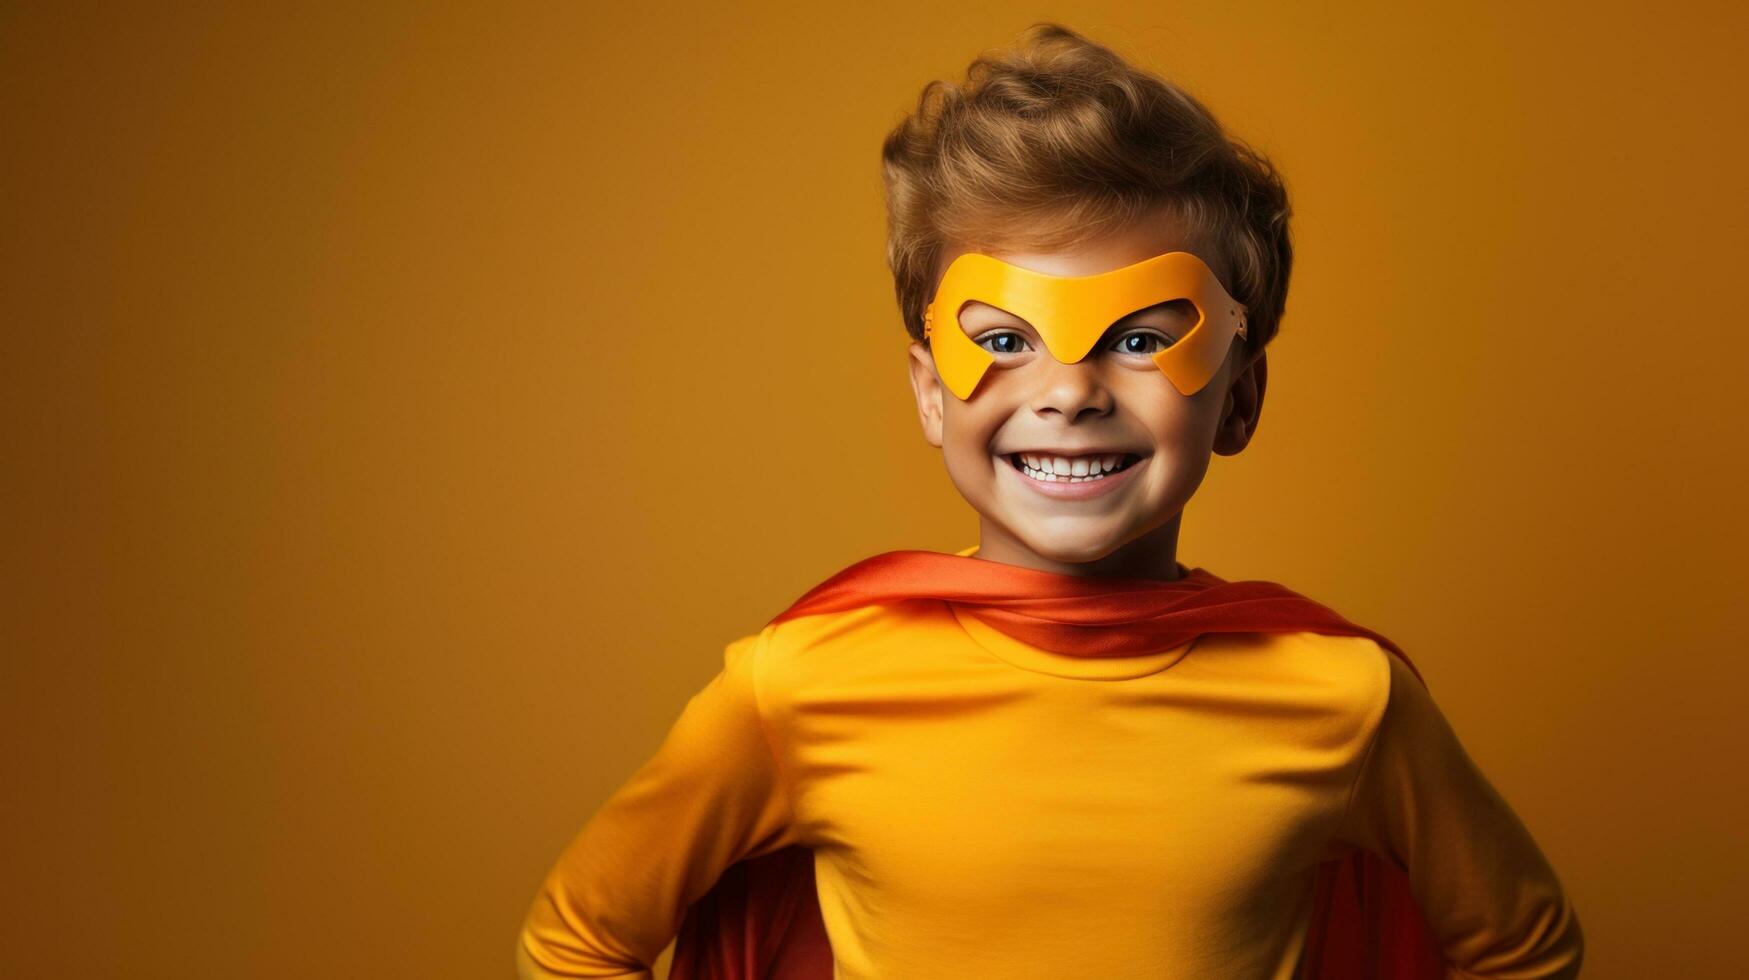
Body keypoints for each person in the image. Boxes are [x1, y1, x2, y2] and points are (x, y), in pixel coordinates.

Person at [516, 22, 1584, 979]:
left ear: (1240, 395)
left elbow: (1526, 947)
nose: (1069, 391)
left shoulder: (1348, 700)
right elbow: (576, 939)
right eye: (1003, 341)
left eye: (1139, 338)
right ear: (932, 392)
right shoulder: (794, 688)